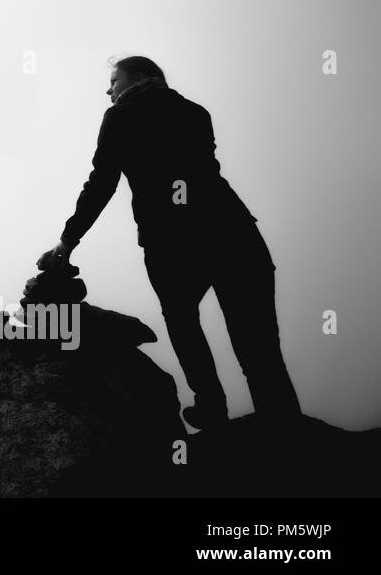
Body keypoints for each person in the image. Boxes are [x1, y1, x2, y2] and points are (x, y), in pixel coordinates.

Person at [38, 56, 302, 432]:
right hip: (234, 232)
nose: (108, 89)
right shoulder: (196, 112)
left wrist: (67, 241)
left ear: (140, 77)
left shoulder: (121, 116)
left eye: (114, 80)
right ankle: (286, 433)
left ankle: (211, 406)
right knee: (258, 347)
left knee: (181, 321)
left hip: (171, 242)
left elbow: (102, 183)